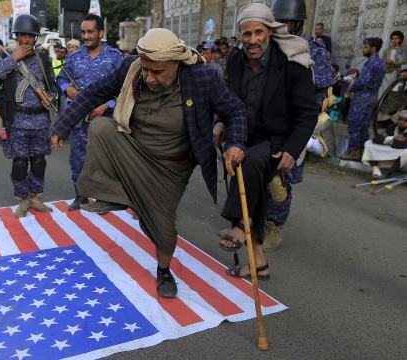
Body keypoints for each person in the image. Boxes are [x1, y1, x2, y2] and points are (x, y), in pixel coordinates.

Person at [51, 28, 247, 297]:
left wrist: (236, 143)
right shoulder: (131, 67)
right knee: (101, 128)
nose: (148, 77)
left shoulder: (202, 78)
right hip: (134, 151)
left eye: (157, 72)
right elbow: (95, 92)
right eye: (145, 69)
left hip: (171, 167)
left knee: (164, 229)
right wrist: (61, 126)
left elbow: (234, 109)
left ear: (175, 64)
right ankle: (116, 196)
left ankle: (164, 270)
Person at [214, 3, 317, 278]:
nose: (252, 40)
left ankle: (239, 223)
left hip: (279, 138)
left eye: (258, 32)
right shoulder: (235, 61)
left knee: (250, 165)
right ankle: (259, 262)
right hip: (244, 135)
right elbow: (231, 102)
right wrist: (221, 123)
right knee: (251, 181)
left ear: (269, 32)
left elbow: (308, 115)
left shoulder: (293, 64)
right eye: (246, 34)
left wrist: (293, 150)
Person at [248, 0, 333, 252]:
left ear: (297, 23)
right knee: (254, 174)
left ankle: (274, 229)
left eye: (287, 23)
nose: (282, 27)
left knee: (279, 180)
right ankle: (249, 223)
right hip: (263, 125)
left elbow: (322, 93)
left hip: (293, 127)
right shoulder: (266, 48)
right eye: (277, 23)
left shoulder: (313, 51)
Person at [0, 14, 56, 218]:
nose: (27, 39)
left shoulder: (43, 59)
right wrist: (13, 58)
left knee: (38, 161)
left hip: (40, 120)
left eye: (30, 36)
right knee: (19, 163)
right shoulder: (6, 57)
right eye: (23, 35)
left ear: (35, 38)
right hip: (17, 120)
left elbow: (51, 85)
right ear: (17, 36)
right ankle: (22, 201)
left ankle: (36, 198)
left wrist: (50, 98)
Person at [56, 14, 123, 211]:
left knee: (106, 159)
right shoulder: (75, 57)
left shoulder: (115, 56)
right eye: (83, 32)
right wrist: (68, 88)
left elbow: (126, 87)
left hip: (106, 120)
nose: (85, 36)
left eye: (90, 32)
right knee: (78, 157)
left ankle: (105, 198)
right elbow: (61, 79)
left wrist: (107, 105)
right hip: (80, 120)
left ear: (100, 33)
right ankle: (81, 195)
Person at [341, 38, 387, 161]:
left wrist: (352, 83)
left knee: (355, 124)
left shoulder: (372, 63)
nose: (363, 49)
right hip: (371, 96)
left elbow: (364, 81)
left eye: (366, 47)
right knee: (364, 125)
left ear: (373, 48)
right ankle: (362, 150)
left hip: (363, 96)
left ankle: (355, 151)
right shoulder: (381, 63)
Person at [363, 110, 407, 179]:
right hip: (393, 155)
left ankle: (387, 175)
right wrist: (393, 138)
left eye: (405, 121)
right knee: (368, 143)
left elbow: (404, 146)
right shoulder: (393, 127)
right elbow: (376, 139)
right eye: (400, 119)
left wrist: (387, 139)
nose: (401, 122)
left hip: (404, 163)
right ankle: (376, 170)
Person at [378, 31, 407, 98]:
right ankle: (379, 101)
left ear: (400, 40)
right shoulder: (387, 50)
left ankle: (387, 102)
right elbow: (382, 60)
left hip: (394, 71)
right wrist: (386, 62)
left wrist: (394, 63)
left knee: (391, 87)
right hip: (385, 71)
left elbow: (404, 60)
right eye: (392, 38)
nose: (394, 40)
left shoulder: (402, 49)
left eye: (396, 38)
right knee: (382, 88)